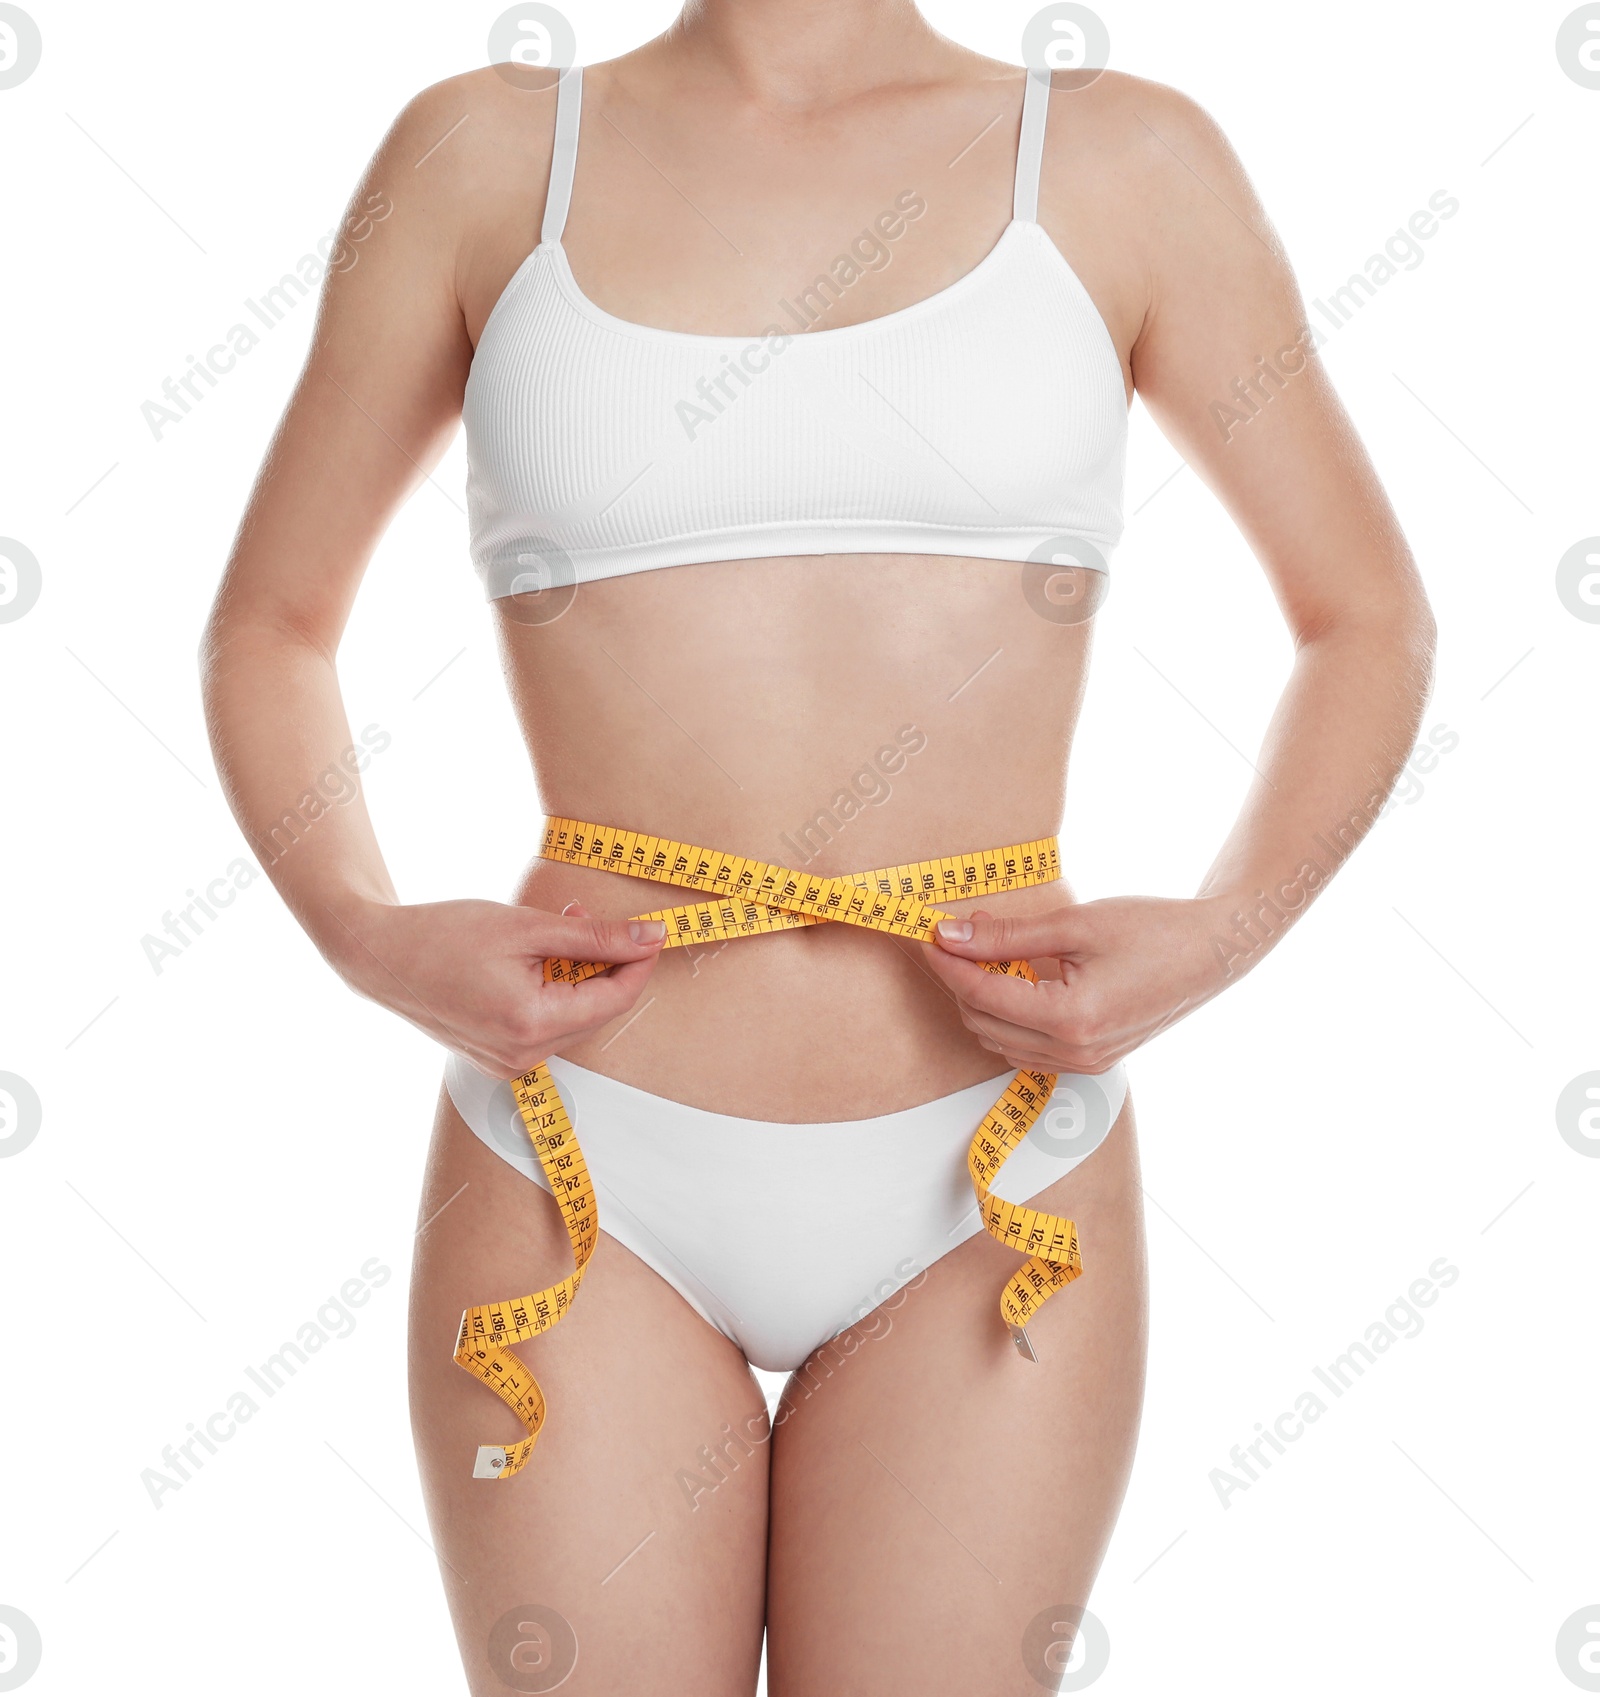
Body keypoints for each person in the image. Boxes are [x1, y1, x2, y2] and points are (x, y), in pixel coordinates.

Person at [200, 3, 1435, 1690]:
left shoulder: (1125, 160)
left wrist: (1223, 931)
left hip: (989, 1161)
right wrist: (357, 922)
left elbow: (1365, 617)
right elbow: (271, 622)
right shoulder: (483, 153)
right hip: (581, 1146)